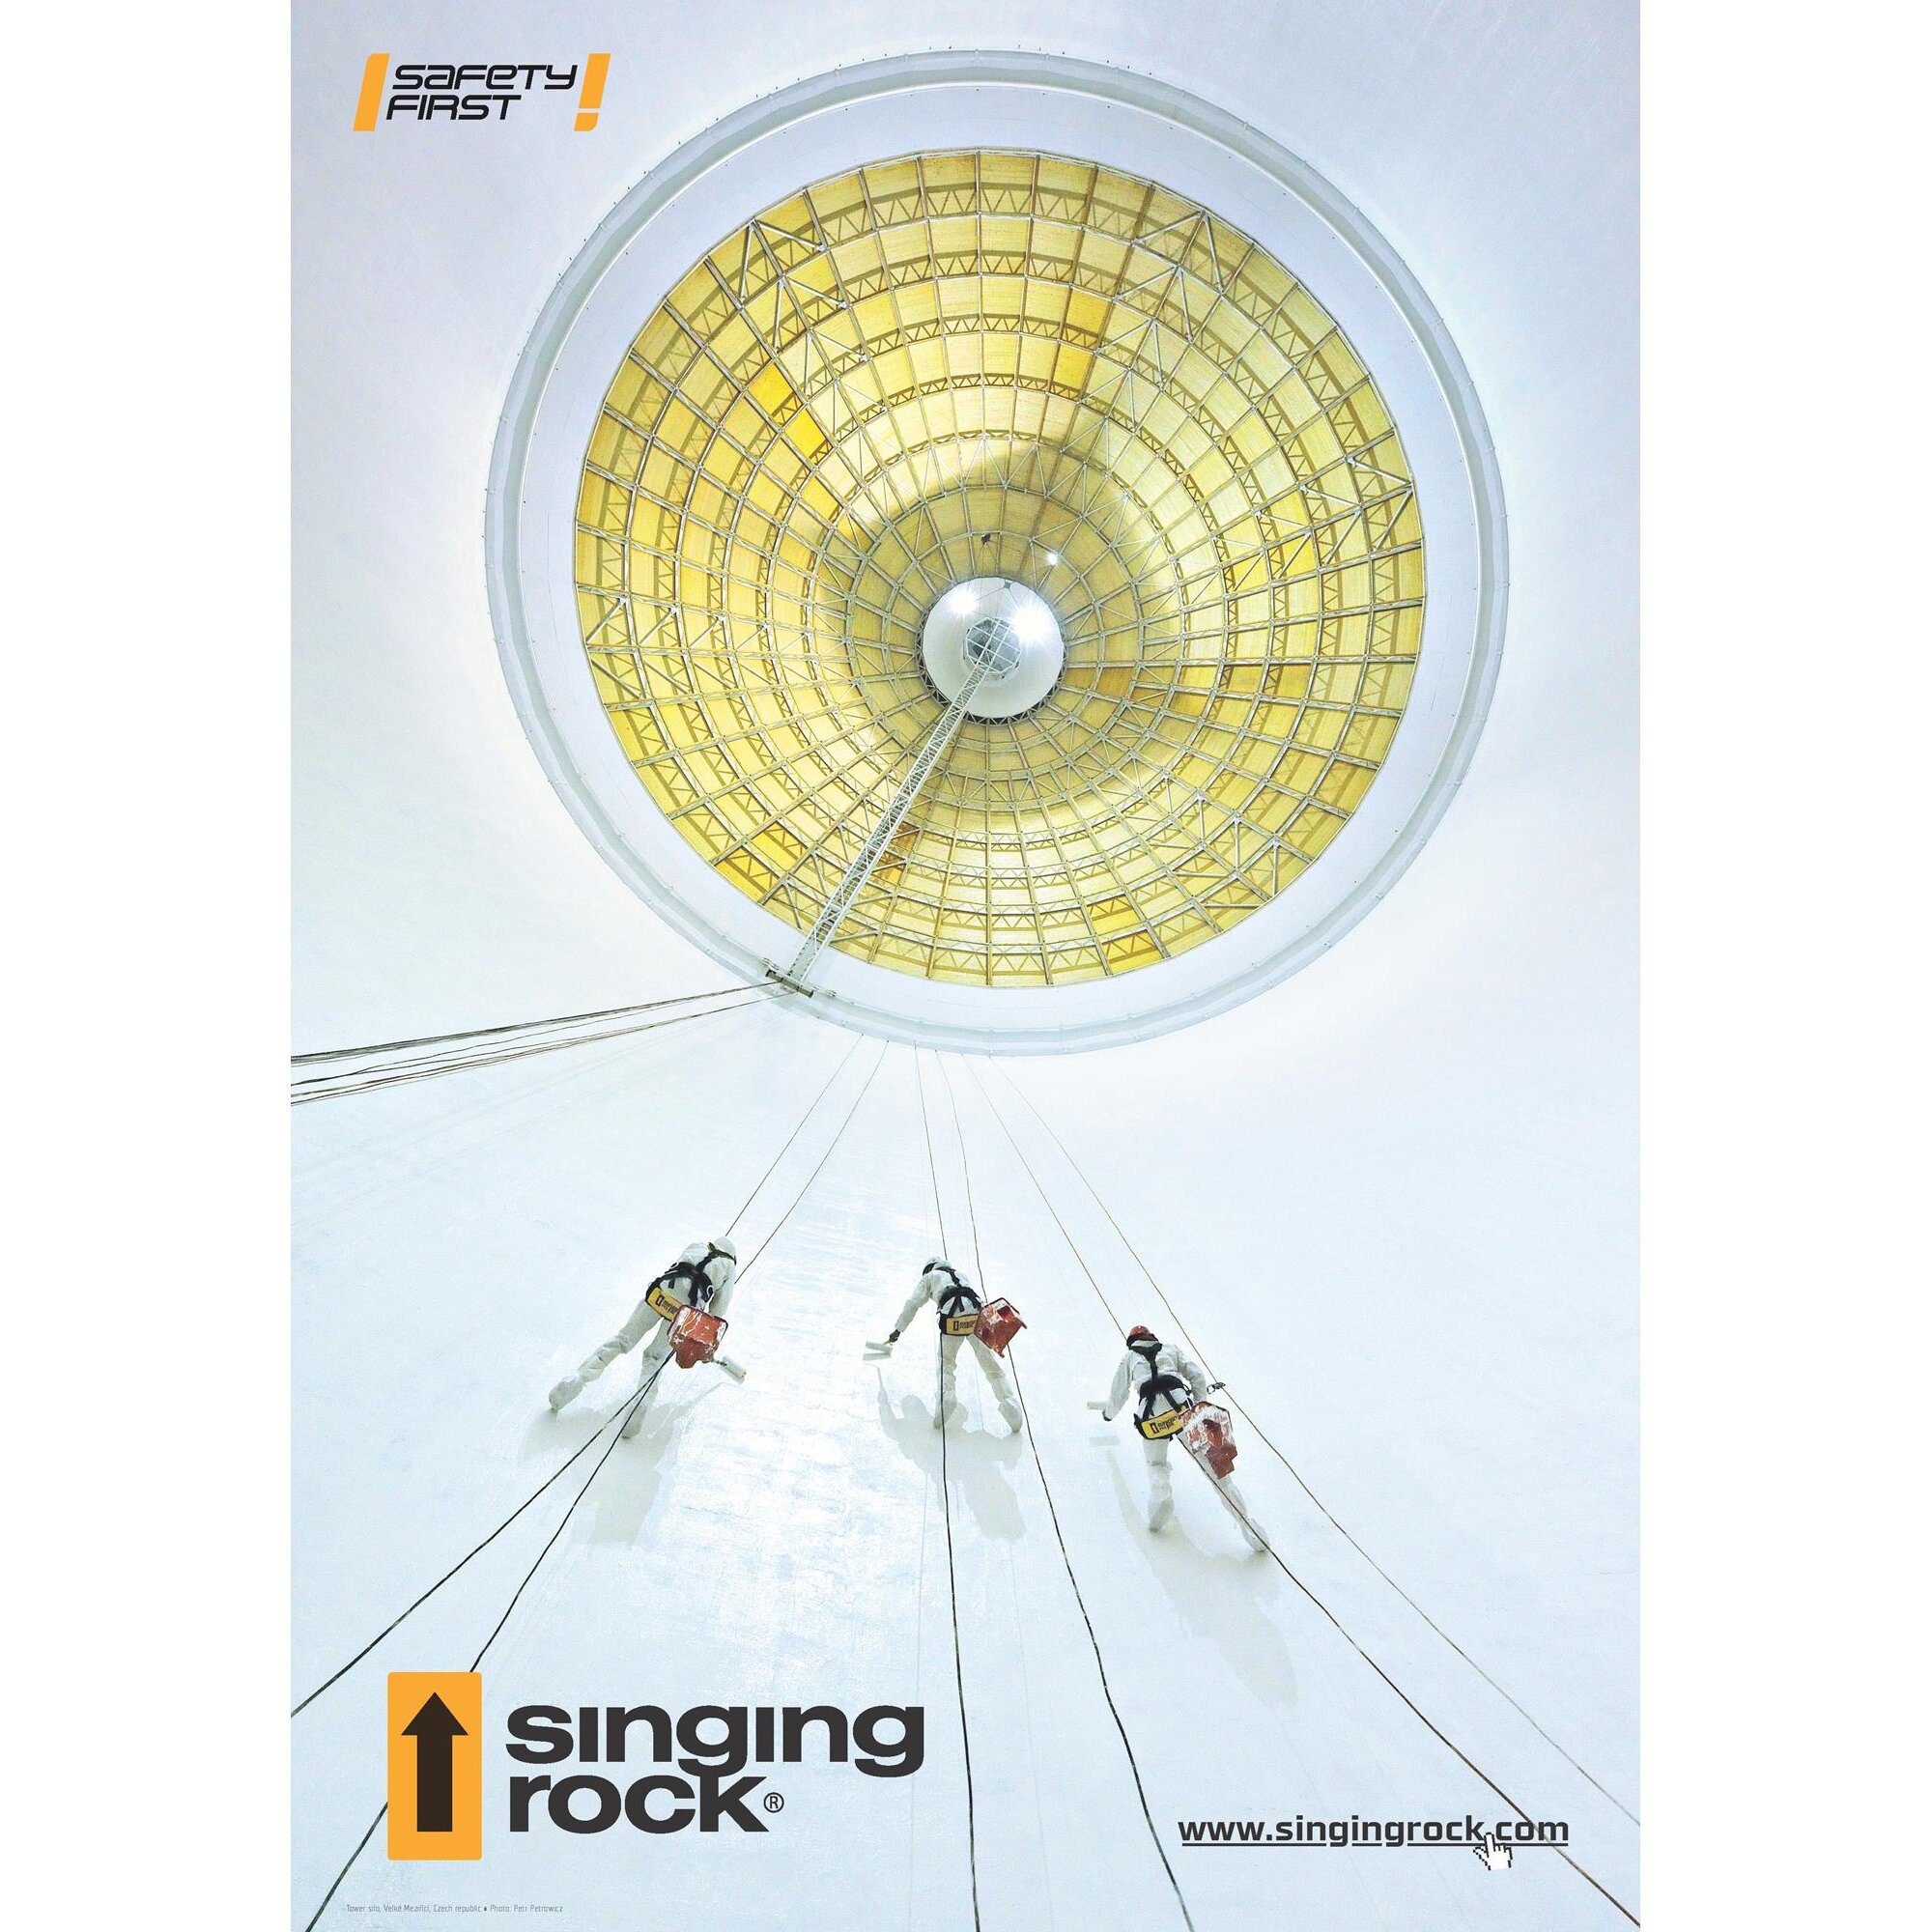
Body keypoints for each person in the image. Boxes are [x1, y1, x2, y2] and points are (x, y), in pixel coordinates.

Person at [1092, 1324, 1265, 1549]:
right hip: (1181, 1409)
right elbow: (1197, 1375)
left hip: (1151, 1417)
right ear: (1152, 1337)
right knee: (1214, 1467)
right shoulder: (1170, 1349)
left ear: (1131, 1343)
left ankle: (1161, 1494)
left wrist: (1108, 1414)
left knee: (1156, 1463)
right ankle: (1247, 1525)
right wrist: (1199, 1407)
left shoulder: (1129, 1359)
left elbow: (1118, 1394)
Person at [548, 1238, 745, 1437]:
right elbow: (718, 1311)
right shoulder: (729, 1266)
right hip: (684, 1312)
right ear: (733, 1256)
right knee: (655, 1358)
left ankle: (576, 1380)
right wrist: (705, 1345)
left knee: (623, 1339)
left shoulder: (698, 1245)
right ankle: (640, 1405)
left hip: (660, 1293)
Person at [871, 1256, 1021, 1434]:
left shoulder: (930, 1277)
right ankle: (1009, 1402)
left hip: (952, 1317)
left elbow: (912, 1304)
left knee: (946, 1363)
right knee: (990, 1365)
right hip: (978, 1316)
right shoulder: (961, 1274)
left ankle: (947, 1397)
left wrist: (897, 1330)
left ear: (929, 1269)